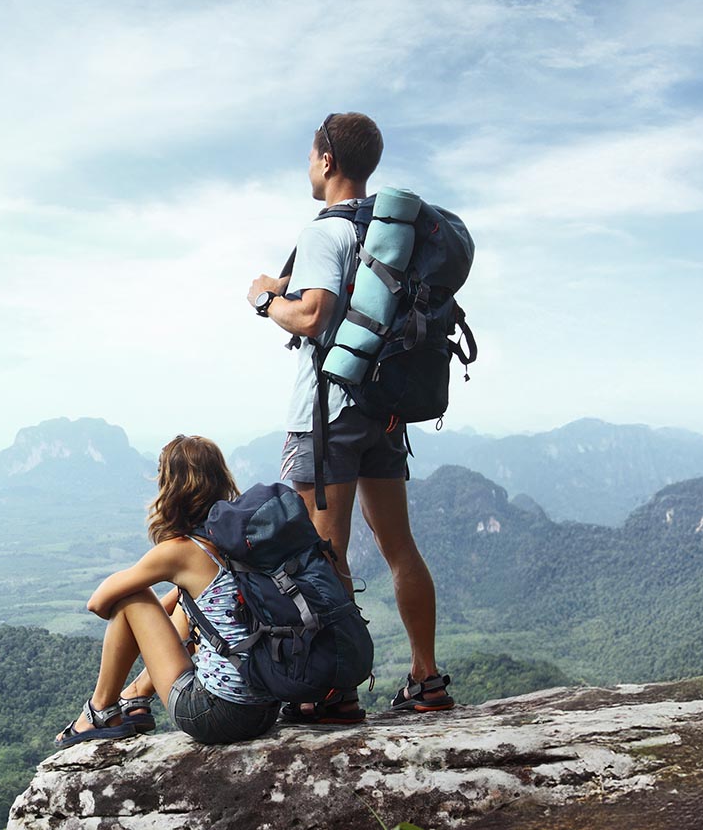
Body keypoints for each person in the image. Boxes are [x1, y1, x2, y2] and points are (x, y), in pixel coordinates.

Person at [246, 112, 454, 721]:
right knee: (400, 548)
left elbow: (311, 317)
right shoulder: (391, 235)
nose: (309, 167)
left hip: (329, 414)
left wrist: (265, 299)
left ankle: (331, 689)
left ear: (328, 160)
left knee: (322, 553)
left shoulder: (323, 234)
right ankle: (427, 678)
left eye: (311, 156)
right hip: (387, 411)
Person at [55, 435, 280, 748]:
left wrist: (136, 604)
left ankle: (100, 711)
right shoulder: (237, 541)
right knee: (181, 602)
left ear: (172, 487)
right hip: (265, 709)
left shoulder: (181, 551)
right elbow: (185, 610)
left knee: (134, 596)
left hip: (216, 714)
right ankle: (134, 697)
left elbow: (99, 603)